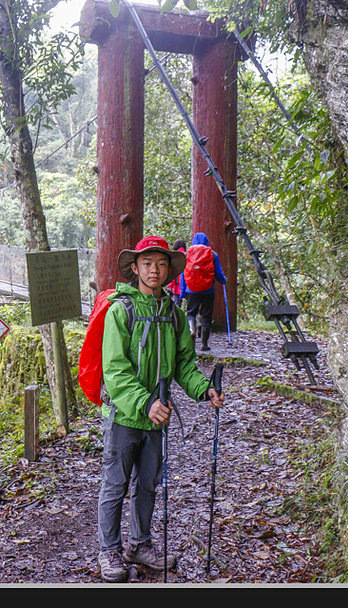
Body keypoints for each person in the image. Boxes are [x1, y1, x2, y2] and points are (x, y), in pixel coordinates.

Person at [96, 235, 226, 582]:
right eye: (148, 263)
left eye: (162, 264)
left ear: (170, 269)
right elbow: (115, 369)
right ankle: (109, 549)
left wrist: (204, 390)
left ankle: (140, 544)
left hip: (158, 415)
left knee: (148, 484)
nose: (155, 270)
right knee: (115, 484)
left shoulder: (172, 312)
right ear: (135, 268)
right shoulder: (120, 311)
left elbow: (184, 362)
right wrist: (145, 403)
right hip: (125, 415)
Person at [178, 232, 227, 352]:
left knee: (190, 313)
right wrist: (223, 280)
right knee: (206, 316)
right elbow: (218, 272)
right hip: (208, 290)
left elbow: (183, 274)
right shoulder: (212, 254)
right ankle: (204, 344)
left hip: (191, 290)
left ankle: (192, 331)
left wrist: (183, 291)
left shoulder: (187, 254)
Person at [169, 239, 187, 308]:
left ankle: (177, 319)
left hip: (177, 287)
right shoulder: (188, 255)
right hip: (188, 286)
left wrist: (170, 286)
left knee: (176, 307)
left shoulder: (175, 257)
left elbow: (172, 273)